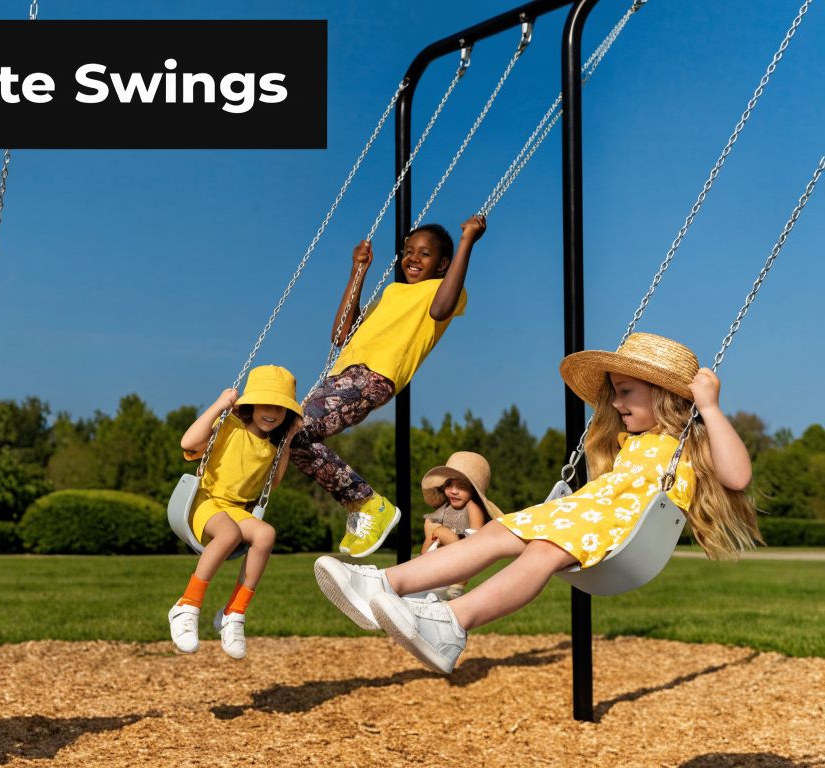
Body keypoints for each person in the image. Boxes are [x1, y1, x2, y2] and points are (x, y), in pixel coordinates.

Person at [316, 333, 759, 674]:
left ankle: (452, 625)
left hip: (623, 532)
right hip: (584, 515)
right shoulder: (632, 443)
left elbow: (737, 475)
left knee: (543, 551)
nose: (616, 403)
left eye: (626, 392)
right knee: (496, 531)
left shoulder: (690, 444)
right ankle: (383, 585)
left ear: (663, 394)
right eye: (615, 393)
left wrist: (711, 409)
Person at [292, 215, 487, 558]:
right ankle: (360, 505)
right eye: (408, 251)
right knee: (286, 436)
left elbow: (441, 309)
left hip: (372, 377)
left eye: (424, 254)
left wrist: (467, 241)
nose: (413, 258)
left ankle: (367, 503)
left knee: (291, 429)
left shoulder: (444, 292)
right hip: (342, 375)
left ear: (443, 263)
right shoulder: (391, 292)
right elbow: (341, 335)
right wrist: (359, 270)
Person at [169, 365, 302, 659]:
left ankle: (233, 614)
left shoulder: (272, 447)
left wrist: (289, 440)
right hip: (204, 502)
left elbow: (273, 483)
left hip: (235, 510)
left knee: (266, 534)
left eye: (280, 408)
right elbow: (188, 443)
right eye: (266, 403)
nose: (272, 412)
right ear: (251, 404)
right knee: (228, 532)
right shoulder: (229, 426)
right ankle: (186, 606)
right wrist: (219, 405)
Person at [419, 451, 502, 599]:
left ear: (473, 490)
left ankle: (457, 585)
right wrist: (434, 532)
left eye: (462, 486)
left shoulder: (472, 507)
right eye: (449, 484)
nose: (454, 491)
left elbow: (475, 539)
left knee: (441, 533)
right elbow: (432, 528)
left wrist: (444, 534)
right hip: (441, 552)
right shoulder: (445, 508)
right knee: (431, 528)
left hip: (463, 552)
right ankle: (420, 566)